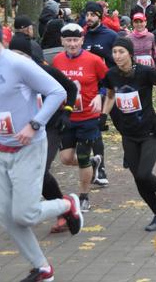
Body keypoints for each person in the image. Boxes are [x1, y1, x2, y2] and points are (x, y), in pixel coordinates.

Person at [0, 17, 83, 282]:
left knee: (25, 213)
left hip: (29, 147)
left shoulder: (18, 64)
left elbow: (57, 92)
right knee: (6, 217)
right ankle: (43, 269)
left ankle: (68, 204)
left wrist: (35, 124)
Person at [102, 37, 156, 231]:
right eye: (115, 52)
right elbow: (111, 95)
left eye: (121, 52)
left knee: (144, 174)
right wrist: (103, 115)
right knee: (138, 178)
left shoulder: (144, 72)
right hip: (128, 133)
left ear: (130, 54)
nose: (117, 56)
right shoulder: (111, 74)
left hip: (149, 130)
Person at [9, 35, 78, 234]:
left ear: (29, 56)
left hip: (52, 127)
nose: (17, 59)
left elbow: (70, 88)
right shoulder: (10, 75)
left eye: (21, 54)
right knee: (29, 173)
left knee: (39, 171)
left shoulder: (45, 71)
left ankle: (63, 209)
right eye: (12, 55)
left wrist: (67, 111)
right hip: (26, 129)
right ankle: (63, 207)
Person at [53, 23, 109, 211]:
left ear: (82, 40)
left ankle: (84, 196)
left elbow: (108, 82)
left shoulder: (93, 60)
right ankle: (94, 163)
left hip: (88, 117)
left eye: (76, 40)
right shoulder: (57, 61)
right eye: (68, 40)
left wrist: (99, 96)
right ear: (62, 41)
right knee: (66, 158)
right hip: (67, 117)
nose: (72, 44)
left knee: (83, 157)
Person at [82, 1, 117, 185]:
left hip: (107, 88)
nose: (89, 18)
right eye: (87, 14)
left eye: (93, 15)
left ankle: (102, 167)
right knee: (94, 128)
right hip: (89, 90)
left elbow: (120, 59)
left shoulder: (110, 36)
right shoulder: (82, 36)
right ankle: (99, 168)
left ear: (99, 16)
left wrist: (105, 57)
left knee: (109, 125)